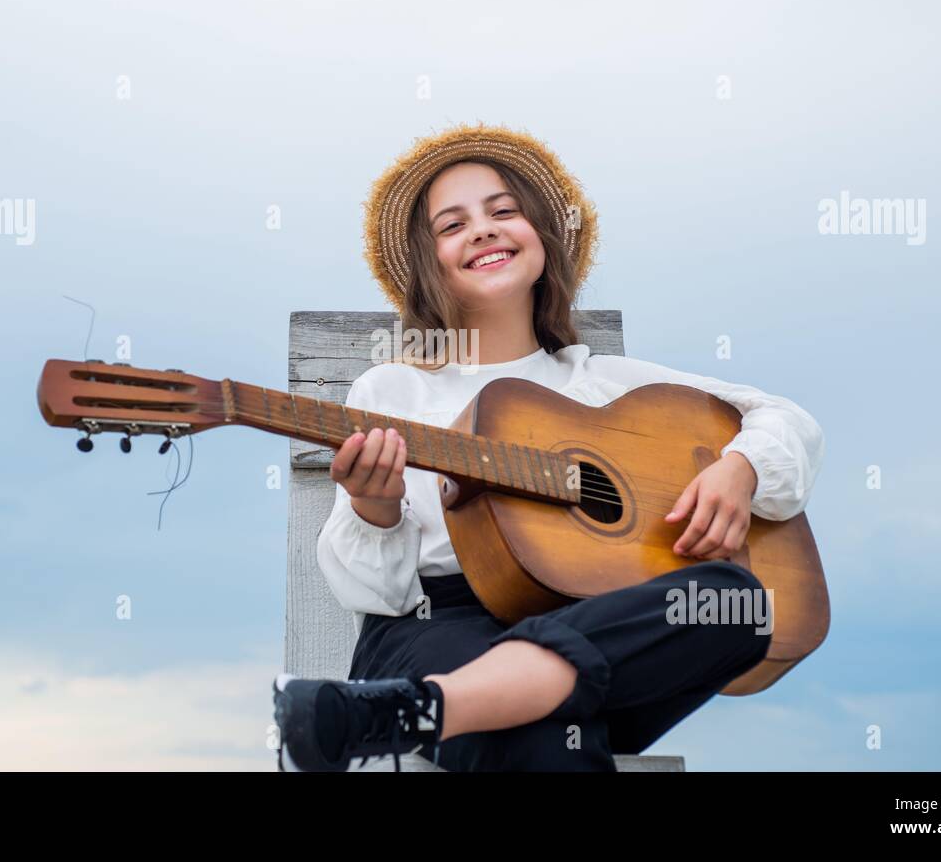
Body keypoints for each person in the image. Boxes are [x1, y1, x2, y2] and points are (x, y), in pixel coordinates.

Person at [272, 122, 825, 772]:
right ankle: (466, 695)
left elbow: (787, 419)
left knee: (740, 603)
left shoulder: (605, 384)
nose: (482, 229)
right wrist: (375, 506)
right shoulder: (392, 387)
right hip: (436, 626)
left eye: (504, 210)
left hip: (605, 627)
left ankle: (407, 712)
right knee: (545, 735)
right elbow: (382, 595)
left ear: (542, 235)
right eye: (453, 225)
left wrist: (740, 470)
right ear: (431, 263)